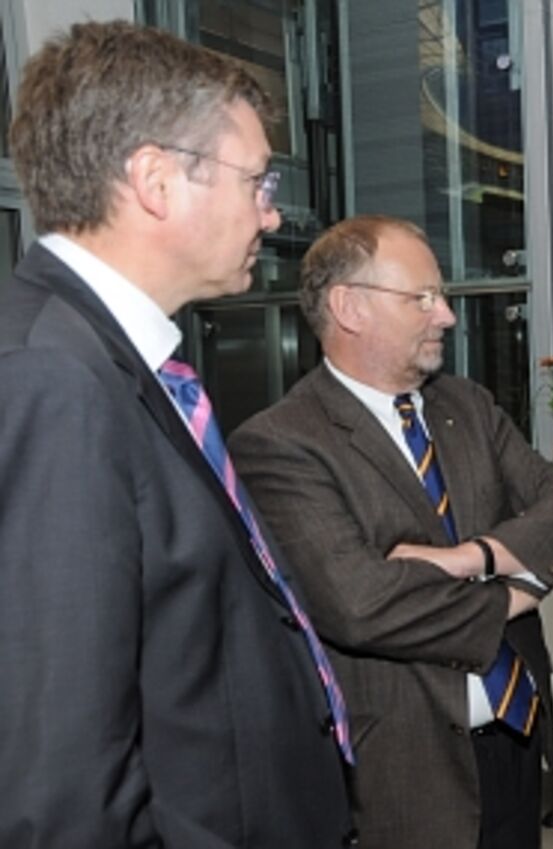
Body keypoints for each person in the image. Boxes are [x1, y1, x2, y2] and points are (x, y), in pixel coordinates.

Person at [0, 20, 354, 848]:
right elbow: (61, 782)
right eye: (258, 182)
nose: (270, 217)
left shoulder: (116, 358)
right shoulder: (50, 379)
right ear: (155, 180)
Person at [228, 214, 553, 849]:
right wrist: (514, 589)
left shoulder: (468, 406)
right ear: (350, 307)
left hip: (515, 737)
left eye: (443, 295)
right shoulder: (280, 443)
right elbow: (363, 607)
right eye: (422, 297)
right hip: (404, 772)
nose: (447, 316)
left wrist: (469, 557)